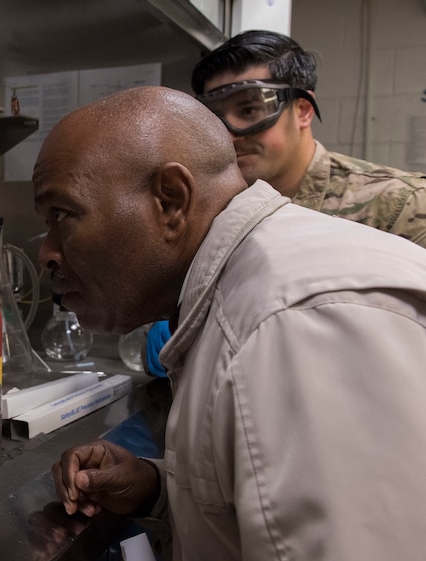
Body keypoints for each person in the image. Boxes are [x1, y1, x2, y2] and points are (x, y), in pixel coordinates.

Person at [35, 85, 426, 561]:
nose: (47, 251)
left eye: (62, 215)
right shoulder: (250, 290)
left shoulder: (291, 328)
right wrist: (159, 490)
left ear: (170, 200)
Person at [144, 30, 426, 377]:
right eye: (216, 119)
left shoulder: (397, 204)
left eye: (249, 110)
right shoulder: (214, 212)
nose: (231, 133)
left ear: (303, 110)